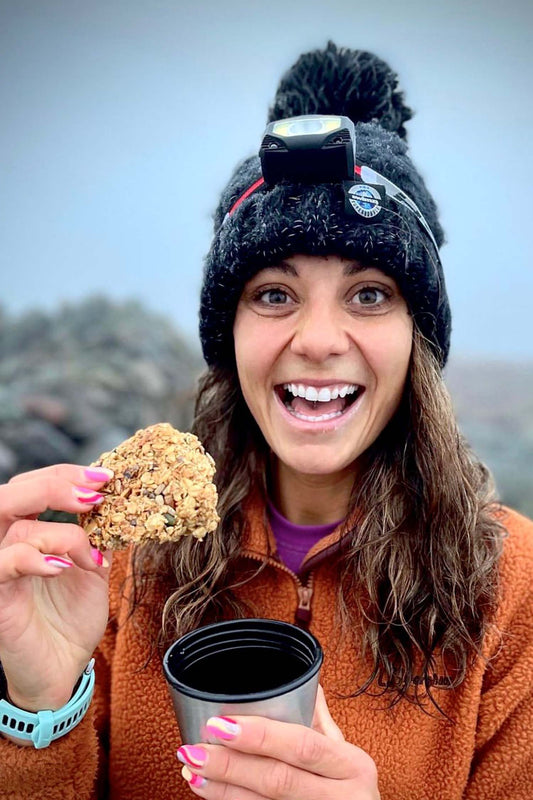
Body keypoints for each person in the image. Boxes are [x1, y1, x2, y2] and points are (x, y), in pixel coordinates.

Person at [0, 42, 532, 800]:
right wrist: (41, 707)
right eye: (274, 294)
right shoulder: (119, 564)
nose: (316, 339)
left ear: (419, 336)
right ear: (230, 337)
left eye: (370, 293)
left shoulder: (514, 590)